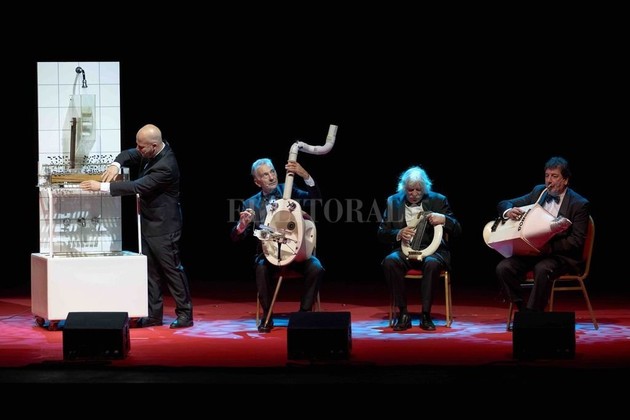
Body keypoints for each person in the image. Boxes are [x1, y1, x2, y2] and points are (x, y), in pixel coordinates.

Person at [80, 124, 193, 329]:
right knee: (151, 271)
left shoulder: (166, 165)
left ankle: (185, 313)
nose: (138, 149)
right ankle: (154, 315)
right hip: (149, 222)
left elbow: (137, 186)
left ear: (154, 145)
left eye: (141, 147)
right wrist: (115, 165)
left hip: (165, 226)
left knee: (171, 270)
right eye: (137, 145)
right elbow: (127, 154)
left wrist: (101, 186)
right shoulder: (148, 151)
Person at [230, 158, 324, 333]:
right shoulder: (251, 204)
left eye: (272, 171)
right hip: (269, 256)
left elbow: (316, 201)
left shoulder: (289, 190)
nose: (272, 177)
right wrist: (242, 226)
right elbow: (236, 238)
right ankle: (267, 315)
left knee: (316, 267)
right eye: (265, 175)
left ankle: (303, 315)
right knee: (260, 267)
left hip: (296, 254)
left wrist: (305, 175)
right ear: (257, 182)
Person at [495, 156, 590, 313]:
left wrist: (548, 248)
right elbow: (504, 203)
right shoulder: (539, 192)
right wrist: (508, 211)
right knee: (504, 268)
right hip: (534, 253)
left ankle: (534, 314)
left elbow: (576, 241)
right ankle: (522, 309)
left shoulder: (579, 204)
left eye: (554, 176)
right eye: (547, 176)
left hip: (560, 256)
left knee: (542, 268)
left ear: (566, 180)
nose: (549, 181)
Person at [378, 166, 461, 331]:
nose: (414, 194)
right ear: (404, 188)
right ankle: (403, 314)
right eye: (410, 190)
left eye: (418, 190)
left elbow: (458, 229)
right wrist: (398, 233)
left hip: (432, 251)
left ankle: (425, 315)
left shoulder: (438, 200)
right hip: (404, 250)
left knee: (432, 264)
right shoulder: (393, 201)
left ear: (425, 188)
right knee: (390, 262)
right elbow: (382, 233)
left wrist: (443, 219)